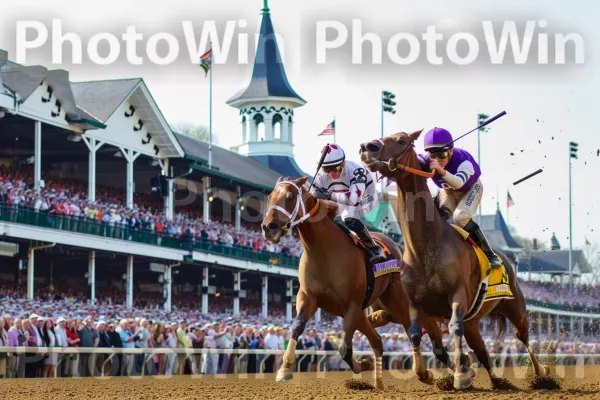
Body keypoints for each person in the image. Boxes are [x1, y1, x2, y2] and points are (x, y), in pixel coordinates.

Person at [419, 127, 502, 268]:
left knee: (460, 217)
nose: (438, 160)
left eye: (442, 154)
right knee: (440, 219)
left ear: (451, 150)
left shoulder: (464, 162)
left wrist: (440, 170)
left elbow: (458, 183)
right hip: (448, 190)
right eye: (433, 156)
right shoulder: (427, 159)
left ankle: (489, 254)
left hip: (470, 189)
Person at [311, 143, 383, 262]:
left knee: (348, 217)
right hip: (342, 198)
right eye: (326, 169)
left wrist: (328, 195)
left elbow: (353, 200)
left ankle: (373, 248)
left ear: (343, 163)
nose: (332, 173)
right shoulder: (321, 175)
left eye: (336, 168)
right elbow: (313, 197)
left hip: (365, 198)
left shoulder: (356, 170)